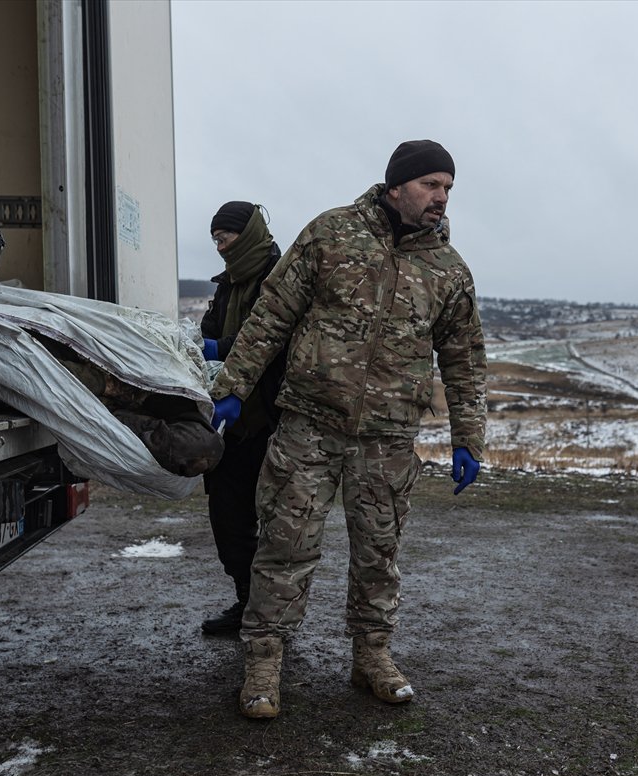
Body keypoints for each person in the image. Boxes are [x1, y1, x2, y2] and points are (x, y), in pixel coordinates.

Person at [209, 140, 487, 719]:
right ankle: (264, 660)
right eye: (431, 185)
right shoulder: (331, 234)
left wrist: (468, 437)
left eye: (448, 189)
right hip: (310, 425)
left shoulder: (448, 269)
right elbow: (274, 313)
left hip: (387, 438)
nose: (441, 198)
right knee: (285, 545)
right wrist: (233, 385)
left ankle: (373, 656)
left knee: (378, 553)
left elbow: (464, 359)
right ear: (397, 185)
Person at [197, 201, 286, 634]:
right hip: (230, 422)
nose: (219, 246)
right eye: (214, 239)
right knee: (228, 519)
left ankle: (271, 617)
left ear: (246, 233)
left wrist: (221, 347)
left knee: (275, 526)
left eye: (225, 237)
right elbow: (212, 328)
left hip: (271, 421)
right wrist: (204, 343)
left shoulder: (280, 274)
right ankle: (246, 603)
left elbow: (274, 337)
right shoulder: (227, 282)